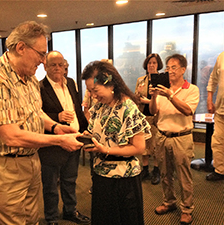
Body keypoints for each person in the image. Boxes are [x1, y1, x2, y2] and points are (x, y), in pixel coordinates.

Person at [0, 21, 85, 225]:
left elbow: (34, 112)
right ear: (21, 47)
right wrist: (58, 141)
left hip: (30, 158)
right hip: (3, 164)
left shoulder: (29, 76)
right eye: (40, 54)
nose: (43, 61)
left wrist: (54, 127)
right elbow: (11, 136)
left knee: (31, 218)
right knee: (10, 221)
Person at [81, 60, 151, 225]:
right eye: (90, 91)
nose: (93, 95)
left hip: (123, 178)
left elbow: (139, 147)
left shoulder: (128, 108)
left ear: (110, 84)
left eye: (95, 90)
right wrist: (88, 136)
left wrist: (106, 149)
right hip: (101, 174)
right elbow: (99, 132)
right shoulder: (100, 107)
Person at [38, 51, 90, 225]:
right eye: (53, 65)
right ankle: (51, 218)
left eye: (61, 65)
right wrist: (57, 116)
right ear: (45, 66)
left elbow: (76, 110)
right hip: (52, 143)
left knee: (70, 180)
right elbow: (36, 116)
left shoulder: (70, 83)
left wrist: (85, 130)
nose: (58, 68)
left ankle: (70, 211)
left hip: (74, 139)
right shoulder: (39, 87)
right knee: (51, 185)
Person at [149, 54, 199, 225]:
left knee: (184, 175)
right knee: (165, 173)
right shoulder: (163, 89)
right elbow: (153, 111)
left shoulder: (192, 89)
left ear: (183, 70)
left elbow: (187, 110)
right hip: (162, 136)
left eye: (173, 67)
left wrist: (170, 95)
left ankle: (187, 209)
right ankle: (169, 202)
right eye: (167, 68)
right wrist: (155, 96)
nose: (169, 71)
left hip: (181, 138)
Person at [135, 53, 163, 185]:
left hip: (157, 117)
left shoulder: (162, 80)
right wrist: (138, 96)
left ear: (158, 65)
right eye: (149, 63)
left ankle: (156, 171)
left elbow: (163, 100)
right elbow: (136, 97)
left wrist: (148, 101)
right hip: (143, 116)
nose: (151, 65)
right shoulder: (141, 80)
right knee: (145, 143)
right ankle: (145, 169)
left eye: (154, 63)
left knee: (156, 144)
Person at [206, 51, 224, 181]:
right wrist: (209, 98)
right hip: (221, 108)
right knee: (217, 140)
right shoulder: (221, 56)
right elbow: (213, 79)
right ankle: (220, 170)